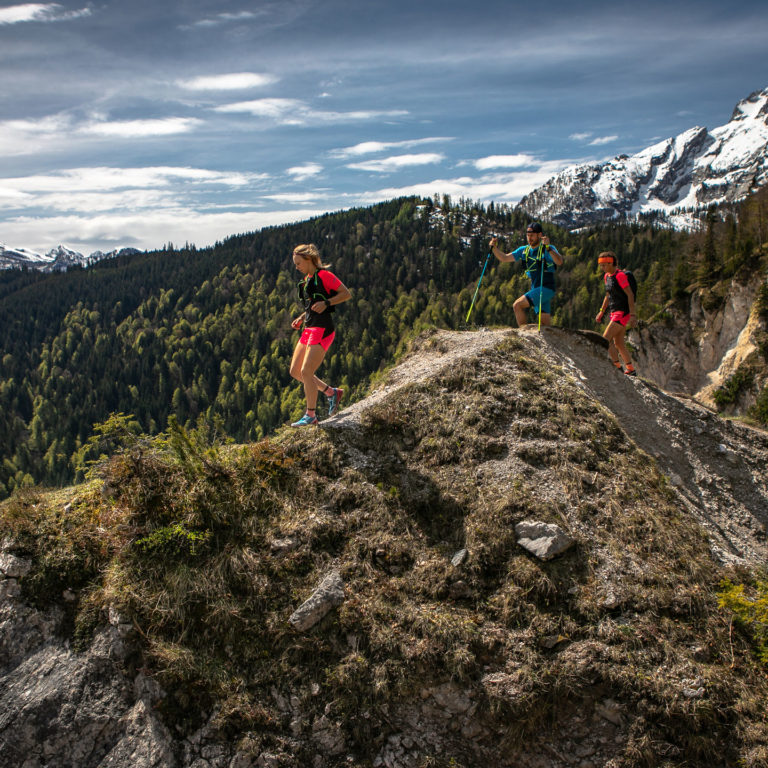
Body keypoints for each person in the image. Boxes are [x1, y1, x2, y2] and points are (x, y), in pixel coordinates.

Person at [289, 243, 351, 426]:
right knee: (295, 371)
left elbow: (345, 294)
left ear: (309, 260)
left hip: (322, 328)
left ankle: (311, 415)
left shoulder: (324, 275)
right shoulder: (309, 279)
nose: (297, 267)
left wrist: (327, 303)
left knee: (306, 371)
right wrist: (301, 318)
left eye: (298, 263)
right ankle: (331, 392)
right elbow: (312, 305)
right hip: (309, 327)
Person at [489, 222, 564, 327]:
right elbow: (504, 258)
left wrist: (548, 248)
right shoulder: (524, 250)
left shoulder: (547, 248)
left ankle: (524, 334)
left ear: (539, 235)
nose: (530, 238)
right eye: (528, 235)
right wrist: (494, 248)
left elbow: (559, 261)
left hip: (546, 288)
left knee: (517, 305)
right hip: (536, 289)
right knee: (545, 327)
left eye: (532, 235)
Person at [595, 251, 637, 376]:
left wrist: (633, 315)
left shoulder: (620, 276)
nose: (602, 268)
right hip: (614, 312)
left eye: (604, 265)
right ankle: (630, 369)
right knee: (618, 343)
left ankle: (616, 367)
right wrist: (601, 311)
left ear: (611, 263)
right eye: (601, 265)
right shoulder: (607, 277)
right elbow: (608, 295)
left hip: (622, 312)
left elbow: (630, 294)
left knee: (605, 339)